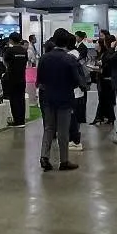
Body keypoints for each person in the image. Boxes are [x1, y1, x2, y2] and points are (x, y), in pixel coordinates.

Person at [36, 29, 83, 171]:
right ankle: (64, 161)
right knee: (63, 131)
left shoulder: (44, 58)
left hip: (48, 97)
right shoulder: (70, 59)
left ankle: (44, 156)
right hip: (65, 98)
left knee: (49, 128)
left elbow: (40, 80)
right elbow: (77, 81)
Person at [68, 30, 90, 150]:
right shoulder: (75, 53)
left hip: (75, 90)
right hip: (77, 89)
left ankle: (75, 140)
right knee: (74, 115)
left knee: (73, 116)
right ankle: (74, 139)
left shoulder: (72, 56)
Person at [3, 36, 29, 127]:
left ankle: (17, 121)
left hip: (12, 78)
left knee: (14, 99)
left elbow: (5, 62)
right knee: (21, 99)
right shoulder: (24, 51)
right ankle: (21, 120)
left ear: (11, 40)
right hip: (22, 78)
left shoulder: (9, 51)